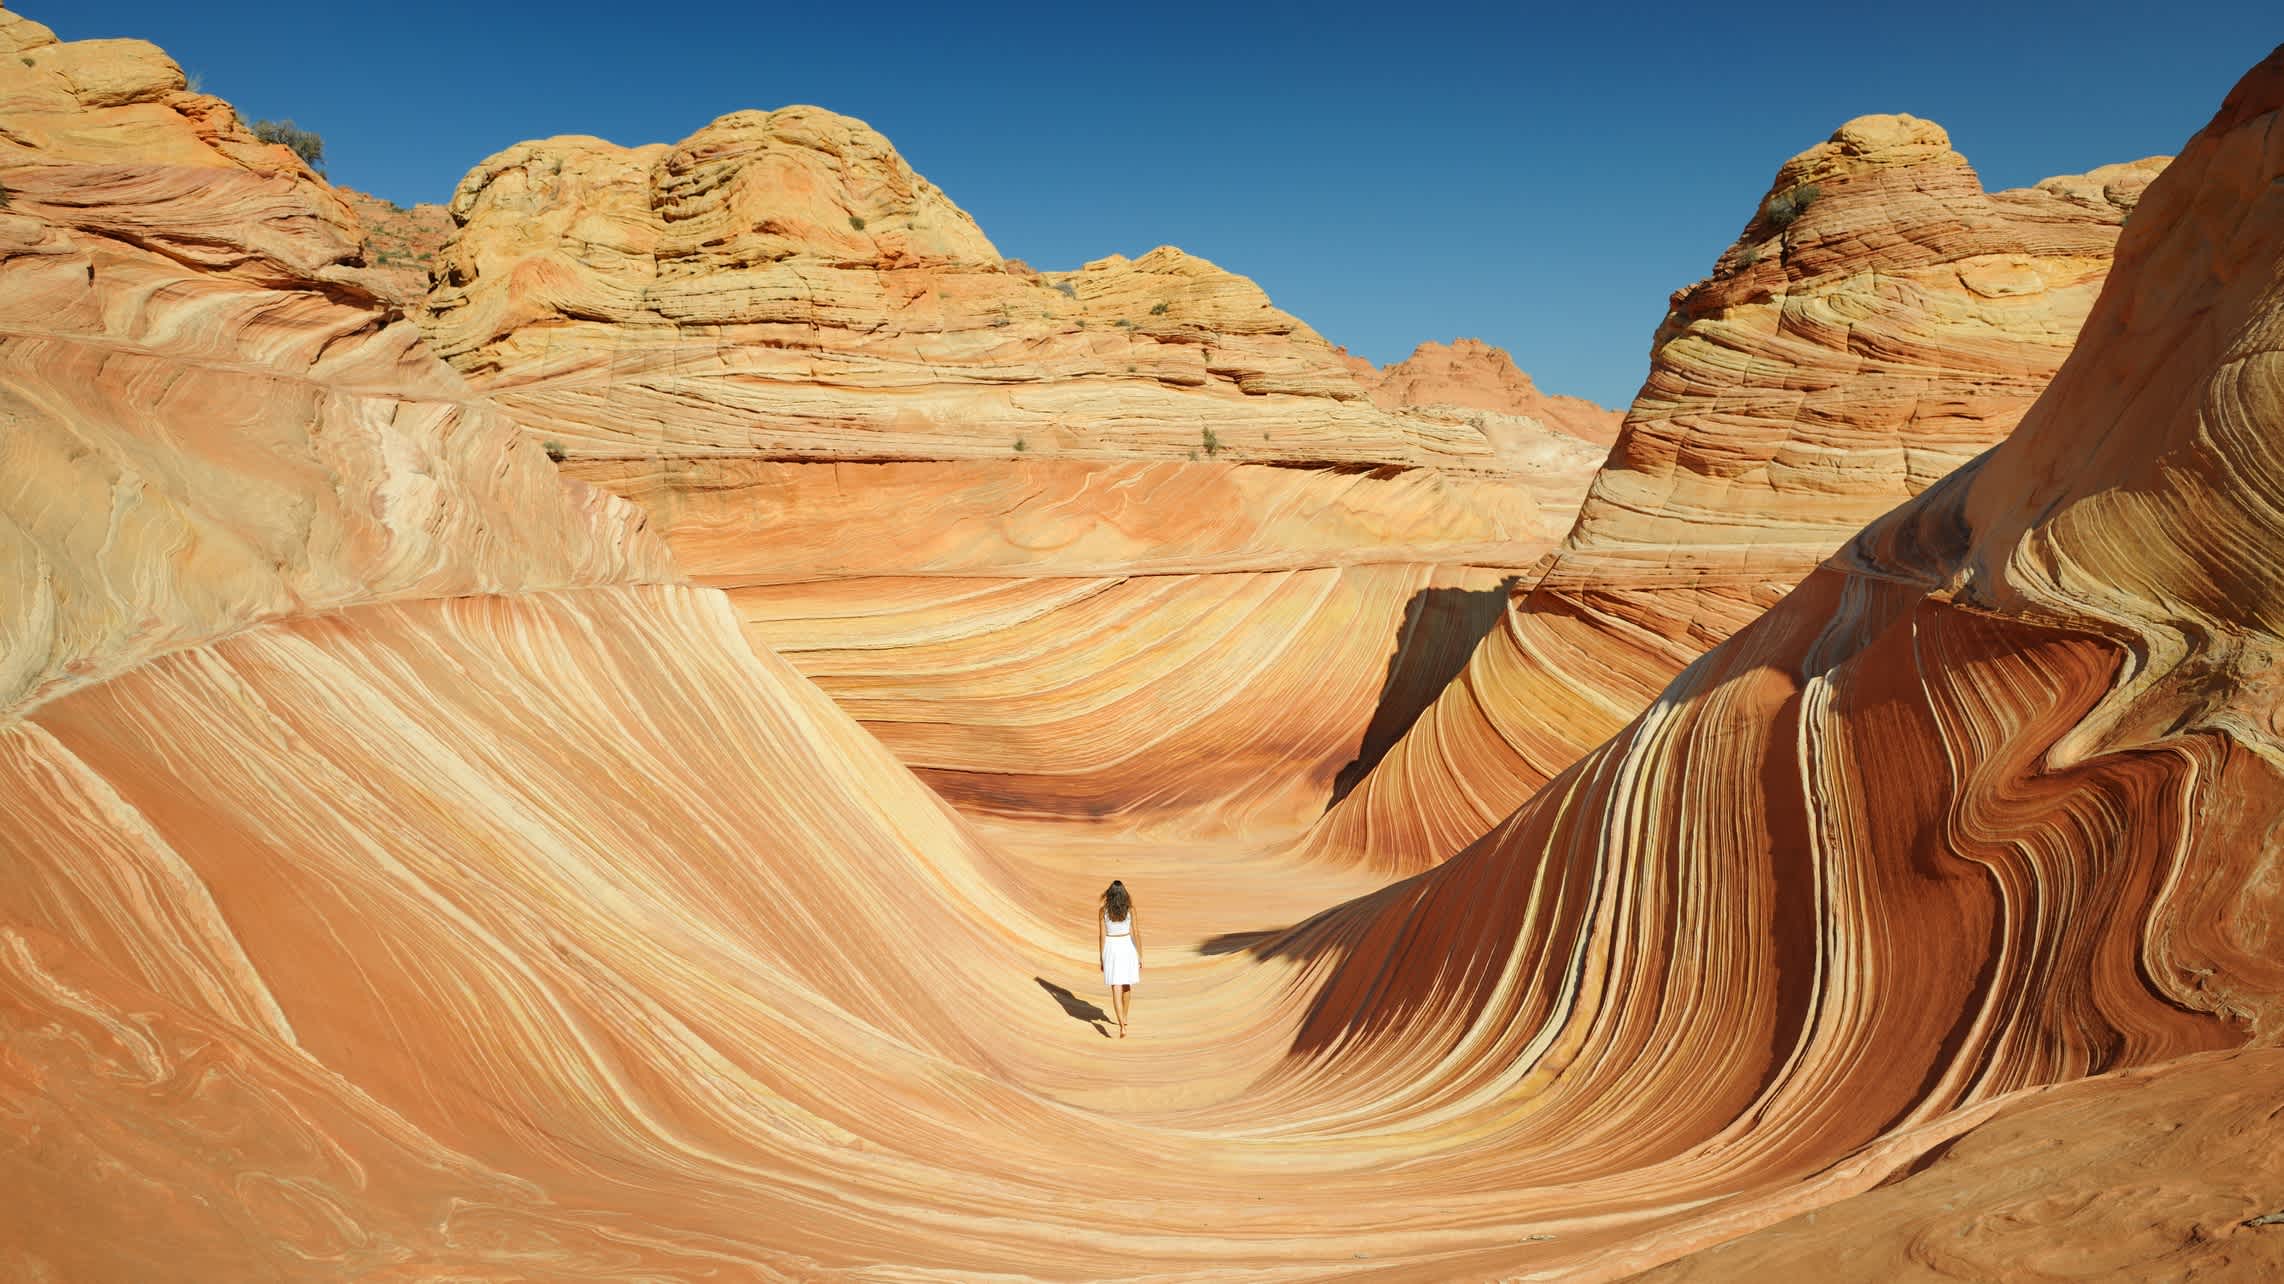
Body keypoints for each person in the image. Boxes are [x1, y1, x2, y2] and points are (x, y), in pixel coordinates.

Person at [1098, 879, 1141, 1037]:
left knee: (1115, 986)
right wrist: (1140, 955)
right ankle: (1125, 1017)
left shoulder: (1103, 911)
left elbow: (1102, 935)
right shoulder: (1130, 910)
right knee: (1126, 984)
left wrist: (1101, 957)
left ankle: (1122, 1025)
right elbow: (1136, 933)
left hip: (1111, 947)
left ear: (1109, 893)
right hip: (1127, 946)